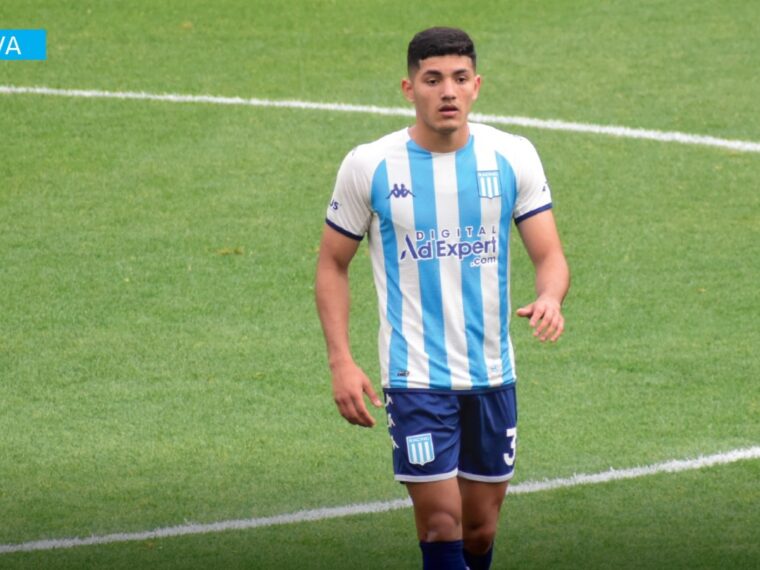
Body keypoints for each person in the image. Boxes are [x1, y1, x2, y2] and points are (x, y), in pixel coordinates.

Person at [315, 27, 570, 569]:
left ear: (477, 85)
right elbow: (332, 264)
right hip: (414, 378)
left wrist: (550, 297)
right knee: (440, 523)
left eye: (459, 78)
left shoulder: (513, 156)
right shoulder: (370, 165)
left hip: (492, 374)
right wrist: (341, 361)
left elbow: (550, 255)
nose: (447, 91)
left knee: (479, 529)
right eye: (433, 80)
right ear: (409, 89)